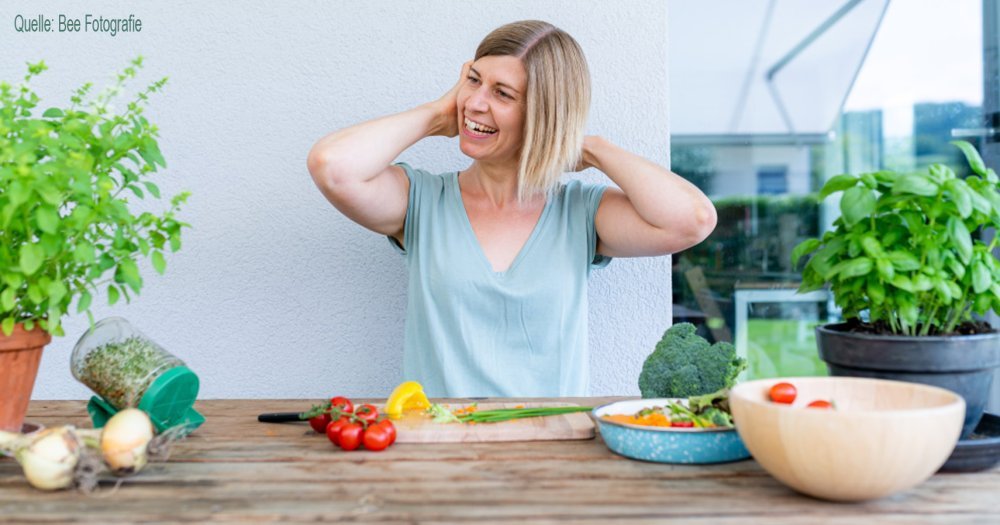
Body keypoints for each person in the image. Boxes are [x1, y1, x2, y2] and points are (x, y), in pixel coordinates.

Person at [307, 20, 717, 397]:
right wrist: (436, 115)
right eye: (474, 81)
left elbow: (692, 219)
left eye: (502, 93)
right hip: (438, 455)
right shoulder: (420, 202)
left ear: (542, 114)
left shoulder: (579, 213)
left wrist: (593, 148)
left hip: (552, 453)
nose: (475, 104)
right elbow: (332, 166)